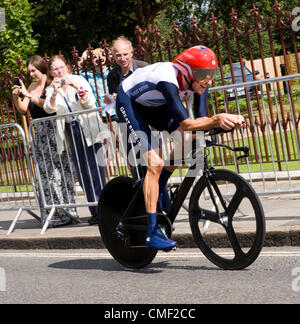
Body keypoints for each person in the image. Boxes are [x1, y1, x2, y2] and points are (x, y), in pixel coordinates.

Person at [116, 46, 245, 251]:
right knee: (155, 163)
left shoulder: (200, 85)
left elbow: (201, 121)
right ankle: (152, 233)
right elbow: (187, 123)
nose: (208, 79)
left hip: (154, 104)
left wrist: (221, 123)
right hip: (130, 103)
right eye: (203, 74)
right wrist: (217, 119)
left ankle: (161, 185)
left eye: (211, 73)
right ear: (188, 71)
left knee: (187, 139)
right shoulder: (169, 81)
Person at [12, 55, 77, 227]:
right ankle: (52, 214)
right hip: (39, 135)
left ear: (41, 67)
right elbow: (23, 109)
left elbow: (49, 105)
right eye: (29, 72)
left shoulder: (51, 83)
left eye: (33, 70)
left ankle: (68, 211)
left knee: (61, 172)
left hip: (54, 132)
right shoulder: (31, 87)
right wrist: (17, 96)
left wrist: (29, 95)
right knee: (46, 175)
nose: (31, 74)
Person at [44, 55, 107, 225]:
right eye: (55, 69)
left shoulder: (78, 79)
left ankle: (105, 208)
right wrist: (55, 92)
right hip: (71, 130)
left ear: (67, 67)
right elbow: (48, 109)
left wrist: (78, 88)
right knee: (82, 171)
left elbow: (90, 102)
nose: (59, 71)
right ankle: (94, 211)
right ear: (51, 72)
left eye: (61, 67)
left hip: (87, 125)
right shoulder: (51, 88)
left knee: (96, 169)